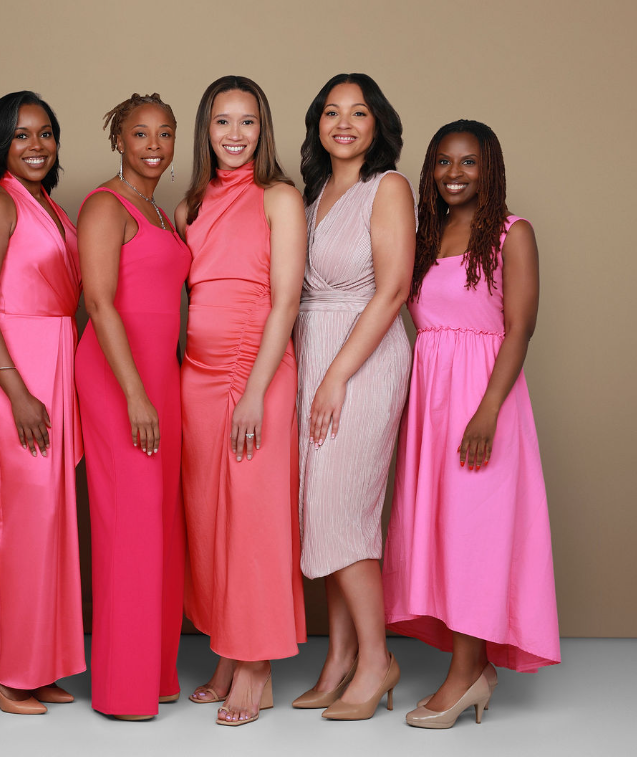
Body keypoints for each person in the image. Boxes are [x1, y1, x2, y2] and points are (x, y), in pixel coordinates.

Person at [382, 120, 561, 729]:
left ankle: (464, 675)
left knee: (473, 538)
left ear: (490, 169)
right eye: (442, 162)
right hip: (431, 403)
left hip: (485, 401)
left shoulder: (513, 233)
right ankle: (474, 668)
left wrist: (487, 410)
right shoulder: (426, 235)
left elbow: (520, 328)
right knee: (441, 532)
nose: (453, 174)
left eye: (468, 162)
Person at [175, 75, 307, 727]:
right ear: (206, 129)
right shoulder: (188, 207)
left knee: (255, 517)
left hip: (259, 370)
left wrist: (255, 389)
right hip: (196, 377)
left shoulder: (280, 197)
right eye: (222, 121)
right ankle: (227, 650)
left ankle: (256, 668)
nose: (234, 134)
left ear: (263, 129)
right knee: (208, 518)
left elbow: (286, 300)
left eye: (247, 121)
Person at [291, 73, 415, 721]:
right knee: (322, 512)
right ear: (317, 124)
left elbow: (392, 290)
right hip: (313, 352)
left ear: (377, 124)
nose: (343, 123)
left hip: (361, 359)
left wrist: (337, 374)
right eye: (331, 112)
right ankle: (339, 657)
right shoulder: (311, 195)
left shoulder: (386, 187)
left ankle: (376, 659)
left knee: (345, 513)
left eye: (358, 112)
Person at [0, 92, 85, 715]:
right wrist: (17, 393)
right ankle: (2, 670)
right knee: (14, 525)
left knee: (49, 522)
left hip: (54, 363)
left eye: (45, 133)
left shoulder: (51, 206)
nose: (36, 145)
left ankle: (38, 665)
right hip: (11, 370)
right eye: (20, 135)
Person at [75, 93, 189, 720]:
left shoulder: (161, 213)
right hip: (120, 380)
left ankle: (156, 672)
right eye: (139, 133)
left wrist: (165, 378)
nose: (153, 144)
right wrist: (136, 393)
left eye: (164, 133)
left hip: (160, 377)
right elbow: (99, 302)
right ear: (117, 140)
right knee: (130, 524)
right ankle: (123, 689)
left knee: (160, 524)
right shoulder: (104, 205)